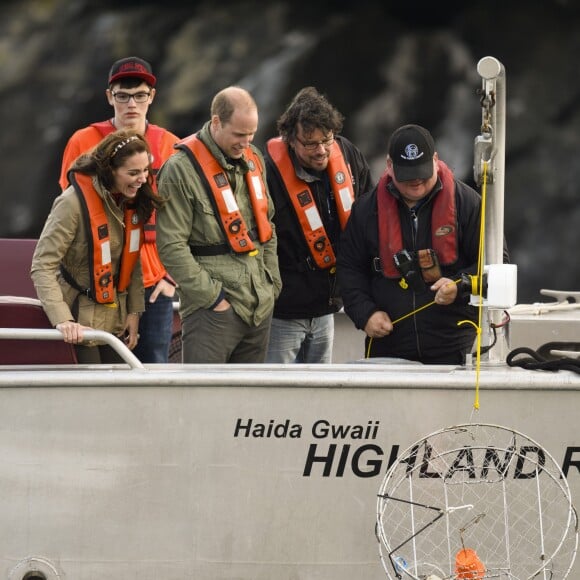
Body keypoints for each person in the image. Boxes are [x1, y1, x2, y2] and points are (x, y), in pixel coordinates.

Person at [59, 56, 179, 363]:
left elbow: (187, 218)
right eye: (123, 96)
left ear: (151, 97)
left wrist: (171, 279)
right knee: (98, 371)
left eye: (140, 95)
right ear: (110, 96)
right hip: (99, 280)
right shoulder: (82, 142)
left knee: (153, 367)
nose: (131, 104)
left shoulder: (171, 146)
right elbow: (70, 213)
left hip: (154, 282)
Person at [338, 124, 485, 365]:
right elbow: (349, 269)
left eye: (423, 172)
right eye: (408, 175)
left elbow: (493, 263)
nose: (416, 181)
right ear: (389, 165)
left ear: (436, 160)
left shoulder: (468, 203)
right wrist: (366, 314)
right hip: (389, 344)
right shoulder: (365, 210)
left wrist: (459, 285)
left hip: (455, 343)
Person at [156, 86, 282, 363]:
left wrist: (271, 284)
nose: (246, 142)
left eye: (251, 134)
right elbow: (171, 246)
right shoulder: (179, 170)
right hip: (212, 312)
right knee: (204, 401)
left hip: (259, 305)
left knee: (249, 402)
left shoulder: (254, 159)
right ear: (216, 122)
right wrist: (214, 299)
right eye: (239, 134)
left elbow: (267, 226)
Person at [32, 130, 162, 363]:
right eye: (133, 173)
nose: (142, 179)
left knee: (122, 386)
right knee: (92, 392)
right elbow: (42, 265)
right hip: (78, 320)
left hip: (115, 319)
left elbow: (131, 261)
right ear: (110, 171)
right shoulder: (70, 204)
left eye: (145, 170)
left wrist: (134, 312)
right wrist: (63, 320)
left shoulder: (129, 199)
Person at [264, 87, 374, 363]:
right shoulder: (267, 173)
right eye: (310, 143)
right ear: (290, 139)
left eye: (326, 140)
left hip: (328, 307)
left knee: (318, 391)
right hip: (284, 311)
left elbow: (369, 210)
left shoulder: (347, 154)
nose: (321, 150)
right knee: (276, 392)